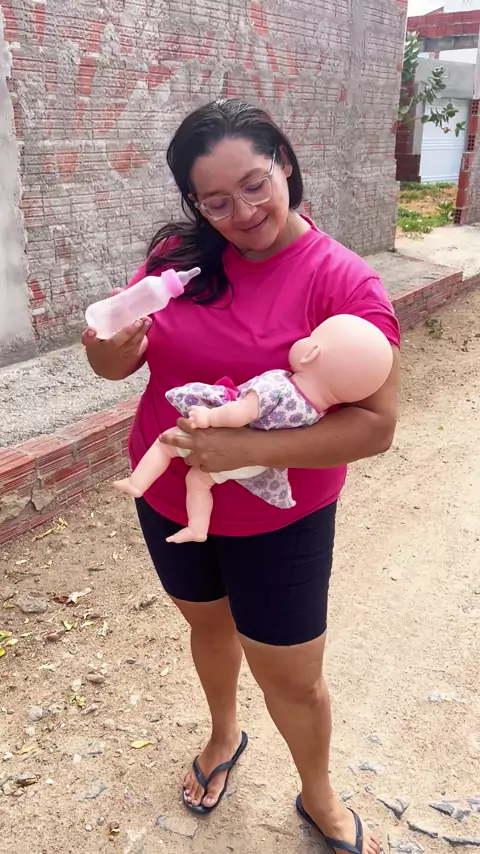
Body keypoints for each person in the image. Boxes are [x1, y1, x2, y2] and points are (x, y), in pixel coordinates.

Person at [82, 98, 400, 854]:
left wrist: (246, 450)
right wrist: (108, 345)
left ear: (284, 162)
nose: (243, 212)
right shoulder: (178, 259)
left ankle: (318, 790)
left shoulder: (343, 283)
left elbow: (376, 426)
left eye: (255, 185)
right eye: (215, 201)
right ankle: (224, 732)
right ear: (193, 202)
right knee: (208, 624)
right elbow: (111, 364)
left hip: (281, 519)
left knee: (292, 677)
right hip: (169, 494)